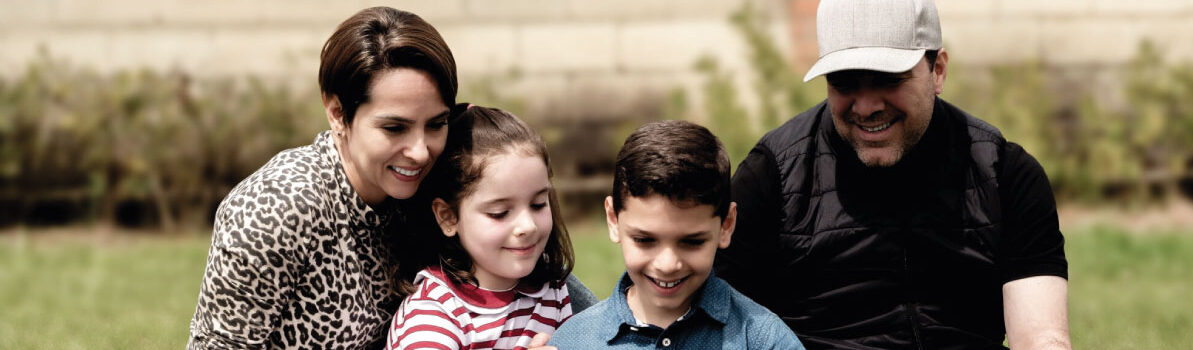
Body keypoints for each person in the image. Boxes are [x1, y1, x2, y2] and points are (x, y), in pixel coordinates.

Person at [187, 8, 594, 349]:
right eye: (394, 128)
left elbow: (533, 264)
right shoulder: (275, 210)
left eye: (435, 124)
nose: (420, 151)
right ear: (337, 114)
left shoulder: (431, 180)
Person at [713, 0, 1071, 349]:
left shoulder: (1003, 173)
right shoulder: (772, 175)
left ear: (938, 70)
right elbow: (723, 330)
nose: (867, 106)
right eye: (844, 83)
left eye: (888, 80)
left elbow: (1041, 338)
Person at [549, 120, 804, 349]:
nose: (668, 264)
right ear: (613, 219)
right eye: (644, 240)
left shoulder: (764, 340)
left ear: (726, 225)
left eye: (692, 242)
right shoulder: (571, 341)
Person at [385, 106, 575, 349]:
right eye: (500, 213)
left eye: (538, 204)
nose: (527, 226)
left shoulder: (550, 289)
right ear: (448, 217)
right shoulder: (434, 313)